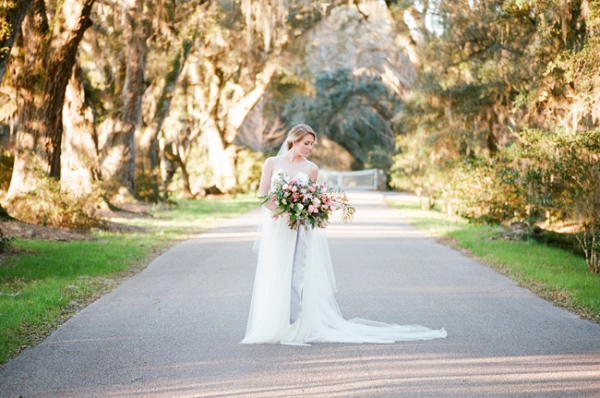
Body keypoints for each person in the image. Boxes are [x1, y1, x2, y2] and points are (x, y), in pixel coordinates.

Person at [241, 124, 446, 345]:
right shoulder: (272, 163)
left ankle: (299, 325)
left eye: (312, 144)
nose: (309, 147)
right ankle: (273, 324)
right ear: (294, 140)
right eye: (306, 143)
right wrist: (284, 212)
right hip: (278, 228)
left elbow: (314, 197)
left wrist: (306, 212)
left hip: (300, 228)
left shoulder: (311, 169)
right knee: (277, 272)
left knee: (299, 274)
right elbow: (263, 196)